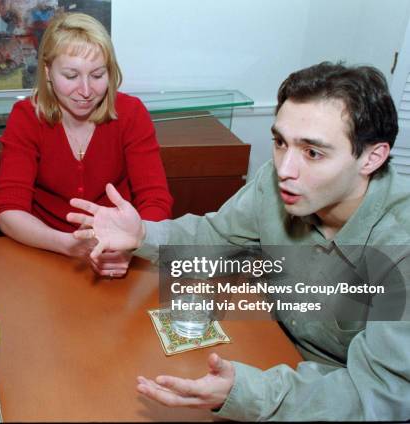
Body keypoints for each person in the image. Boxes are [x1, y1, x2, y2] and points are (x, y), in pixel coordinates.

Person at [67, 62, 410, 420]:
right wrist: (142, 234)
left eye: (312, 153)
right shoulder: (277, 185)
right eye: (280, 142)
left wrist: (249, 394)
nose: (284, 169)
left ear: (372, 157)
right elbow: (215, 237)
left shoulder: (401, 246)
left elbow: (377, 392)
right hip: (278, 357)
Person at [0, 12, 172, 278]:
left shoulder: (131, 113)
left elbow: (155, 200)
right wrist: (67, 244)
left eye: (98, 75)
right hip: (44, 252)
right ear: (48, 72)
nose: (86, 90)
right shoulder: (27, 116)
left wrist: (130, 247)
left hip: (122, 254)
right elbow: (9, 209)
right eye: (71, 75)